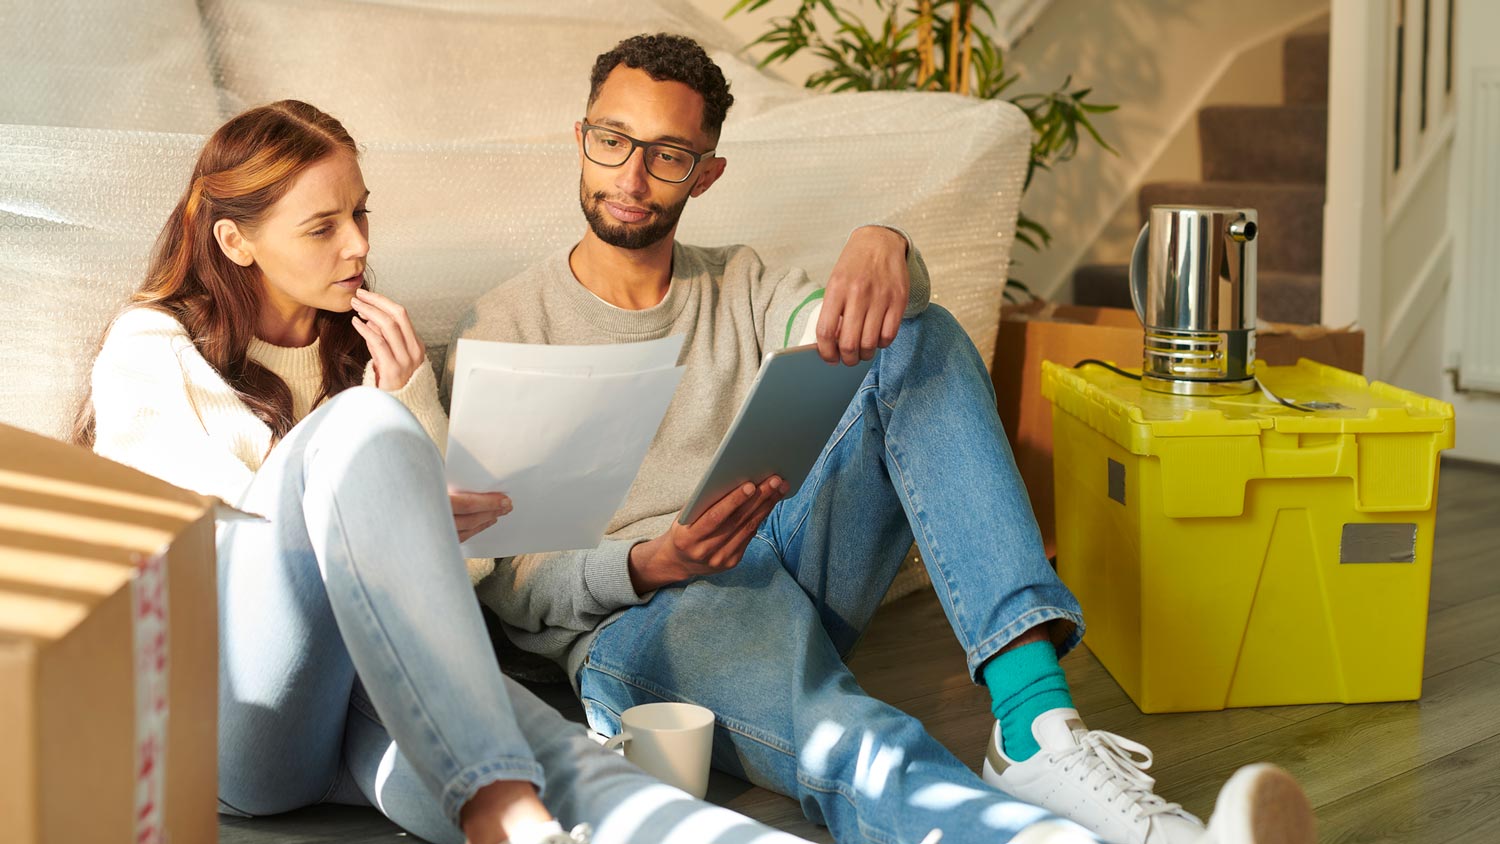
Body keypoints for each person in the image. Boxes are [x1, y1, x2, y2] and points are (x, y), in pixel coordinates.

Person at [449, 34, 1318, 844]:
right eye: (613, 140)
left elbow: (863, 334)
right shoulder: (504, 326)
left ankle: (1037, 724)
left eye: (667, 155)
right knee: (864, 745)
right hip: (644, 617)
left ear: (705, 174)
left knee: (918, 337)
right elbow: (505, 586)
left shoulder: (741, 281)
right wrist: (650, 562)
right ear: (580, 137)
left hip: (785, 557)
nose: (633, 176)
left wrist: (889, 244)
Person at [76, 99, 818, 844]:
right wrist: (375, 444)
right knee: (361, 430)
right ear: (236, 242)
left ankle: (543, 823)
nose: (357, 247)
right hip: (230, 726)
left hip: (359, 710)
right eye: (322, 228)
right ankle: (504, 810)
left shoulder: (365, 358)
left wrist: (409, 401)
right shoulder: (153, 349)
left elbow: (462, 580)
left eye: (361, 215)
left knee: (561, 762)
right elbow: (188, 572)